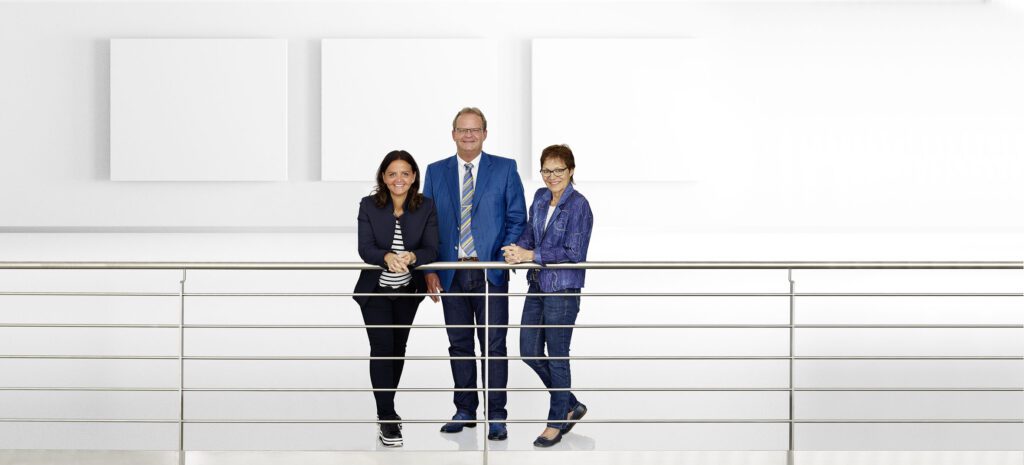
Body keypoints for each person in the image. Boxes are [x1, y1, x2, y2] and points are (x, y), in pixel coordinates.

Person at [422, 107, 527, 441]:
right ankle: (465, 410)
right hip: (451, 272)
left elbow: (516, 217)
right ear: (453, 133)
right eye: (462, 130)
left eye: (475, 129)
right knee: (459, 345)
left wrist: (501, 256)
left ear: (485, 133)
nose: (468, 135)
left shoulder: (505, 169)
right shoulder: (435, 172)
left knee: (494, 346)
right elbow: (427, 224)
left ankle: (496, 416)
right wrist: (430, 270)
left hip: (489, 272)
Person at [502, 144, 593, 448]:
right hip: (537, 284)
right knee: (528, 351)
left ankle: (556, 422)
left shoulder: (579, 205)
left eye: (559, 170)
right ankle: (570, 403)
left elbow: (574, 252)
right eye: (546, 170)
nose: (552, 176)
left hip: (562, 290)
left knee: (557, 355)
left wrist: (532, 254)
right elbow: (530, 233)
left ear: (571, 171)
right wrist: (517, 249)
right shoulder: (541, 197)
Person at [354, 150, 439, 448]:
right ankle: (387, 416)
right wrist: (387, 257)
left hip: (406, 292)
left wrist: (413, 256)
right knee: (382, 349)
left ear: (414, 176)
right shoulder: (369, 205)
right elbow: (365, 248)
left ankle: (387, 409)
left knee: (398, 349)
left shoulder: (426, 206)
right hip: (376, 292)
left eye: (404, 173)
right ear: (383, 177)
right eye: (392, 174)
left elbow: (432, 248)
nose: (398, 179)